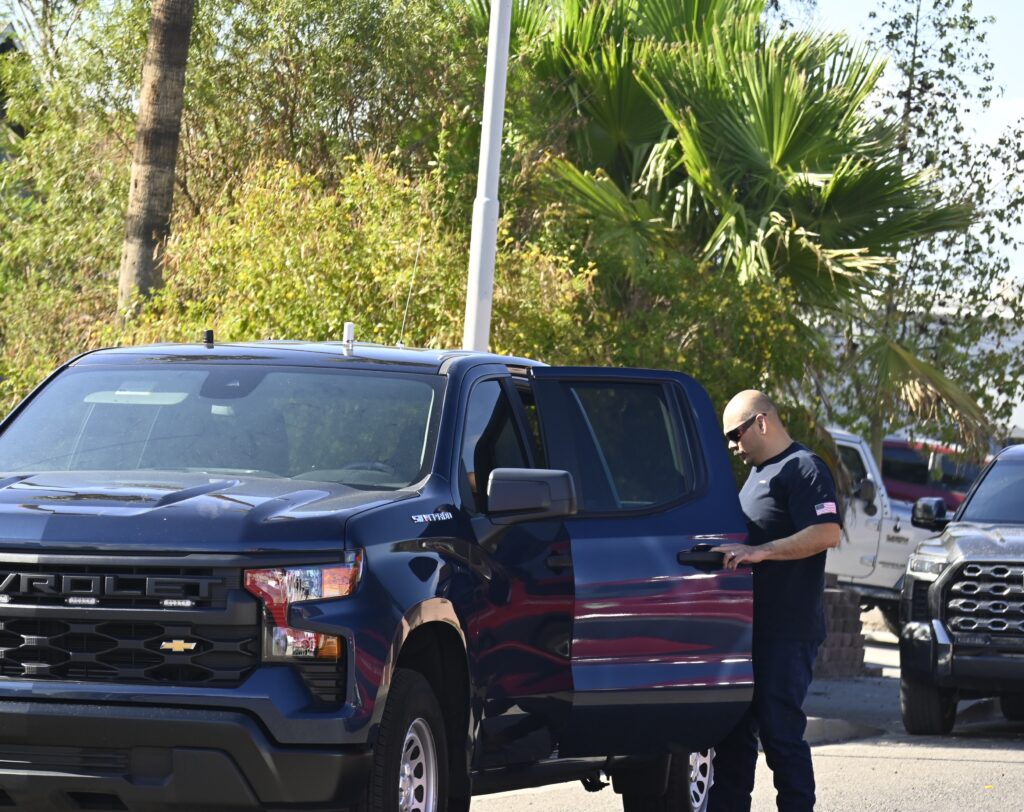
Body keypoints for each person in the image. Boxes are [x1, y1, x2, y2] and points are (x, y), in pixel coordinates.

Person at [709, 390, 842, 812]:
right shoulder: (756, 475)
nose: (733, 446)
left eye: (736, 434)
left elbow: (827, 532)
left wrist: (760, 552)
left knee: (780, 733)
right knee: (732, 738)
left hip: (786, 631)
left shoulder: (803, 468)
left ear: (762, 422)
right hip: (746, 631)